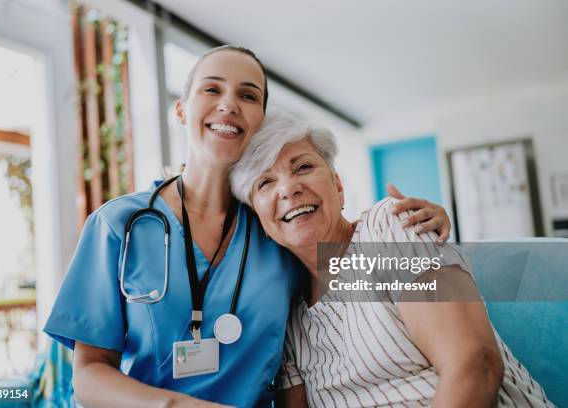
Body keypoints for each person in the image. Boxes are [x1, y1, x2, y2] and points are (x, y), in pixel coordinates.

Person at [44, 45, 453, 407]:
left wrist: (407, 226)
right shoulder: (118, 225)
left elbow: (350, 261)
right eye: (211, 89)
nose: (229, 104)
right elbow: (89, 376)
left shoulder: (277, 227)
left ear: (259, 120)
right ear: (182, 109)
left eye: (248, 95)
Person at [229, 112, 555, 407]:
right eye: (265, 182)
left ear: (338, 186)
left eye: (303, 167)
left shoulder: (387, 230)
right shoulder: (288, 315)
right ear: (259, 220)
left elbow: (474, 366)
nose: (289, 188)